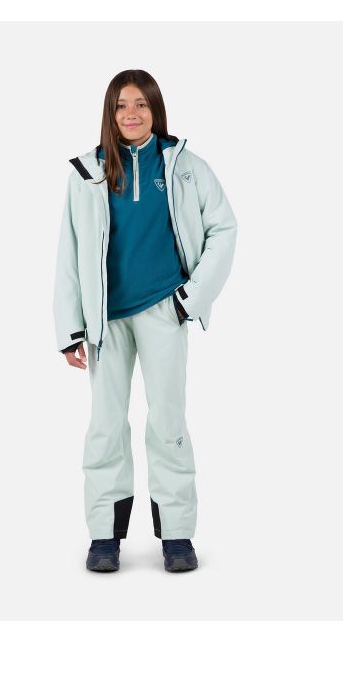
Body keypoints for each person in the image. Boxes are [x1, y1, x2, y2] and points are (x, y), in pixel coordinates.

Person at [52, 69, 238, 573]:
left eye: (141, 104)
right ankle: (104, 536)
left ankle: (177, 535)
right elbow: (70, 251)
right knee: (105, 425)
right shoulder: (88, 173)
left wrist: (188, 300)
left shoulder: (185, 167)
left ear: (155, 109)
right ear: (109, 113)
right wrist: (70, 328)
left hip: (163, 309)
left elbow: (223, 228)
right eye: (121, 105)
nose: (131, 114)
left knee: (168, 421)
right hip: (106, 320)